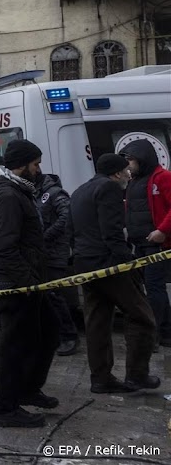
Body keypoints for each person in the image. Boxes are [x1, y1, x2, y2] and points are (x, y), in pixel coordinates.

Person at [0, 139, 59, 428]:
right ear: (22, 164)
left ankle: (27, 389)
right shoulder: (7, 195)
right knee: (13, 345)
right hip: (13, 282)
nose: (39, 170)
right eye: (36, 164)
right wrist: (26, 282)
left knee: (47, 332)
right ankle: (5, 408)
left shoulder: (16, 190)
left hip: (27, 280)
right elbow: (4, 247)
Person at [71, 153, 159, 394]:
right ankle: (137, 375)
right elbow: (111, 230)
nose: (130, 175)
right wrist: (125, 262)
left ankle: (101, 378)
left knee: (97, 322)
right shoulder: (109, 188)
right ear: (117, 173)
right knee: (142, 316)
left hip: (84, 263)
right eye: (127, 171)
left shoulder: (80, 191)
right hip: (108, 265)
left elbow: (72, 229)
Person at [122, 139, 171, 348]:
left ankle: (157, 334)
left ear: (142, 158)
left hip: (155, 244)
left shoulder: (162, 178)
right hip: (138, 243)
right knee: (148, 288)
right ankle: (164, 332)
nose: (129, 164)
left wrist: (162, 230)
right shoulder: (133, 181)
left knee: (154, 288)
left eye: (131, 159)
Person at [37, 173, 78, 356]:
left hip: (55, 253)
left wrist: (46, 236)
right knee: (46, 297)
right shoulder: (37, 194)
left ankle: (69, 336)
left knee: (55, 295)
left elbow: (66, 217)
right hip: (43, 254)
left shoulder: (55, 193)